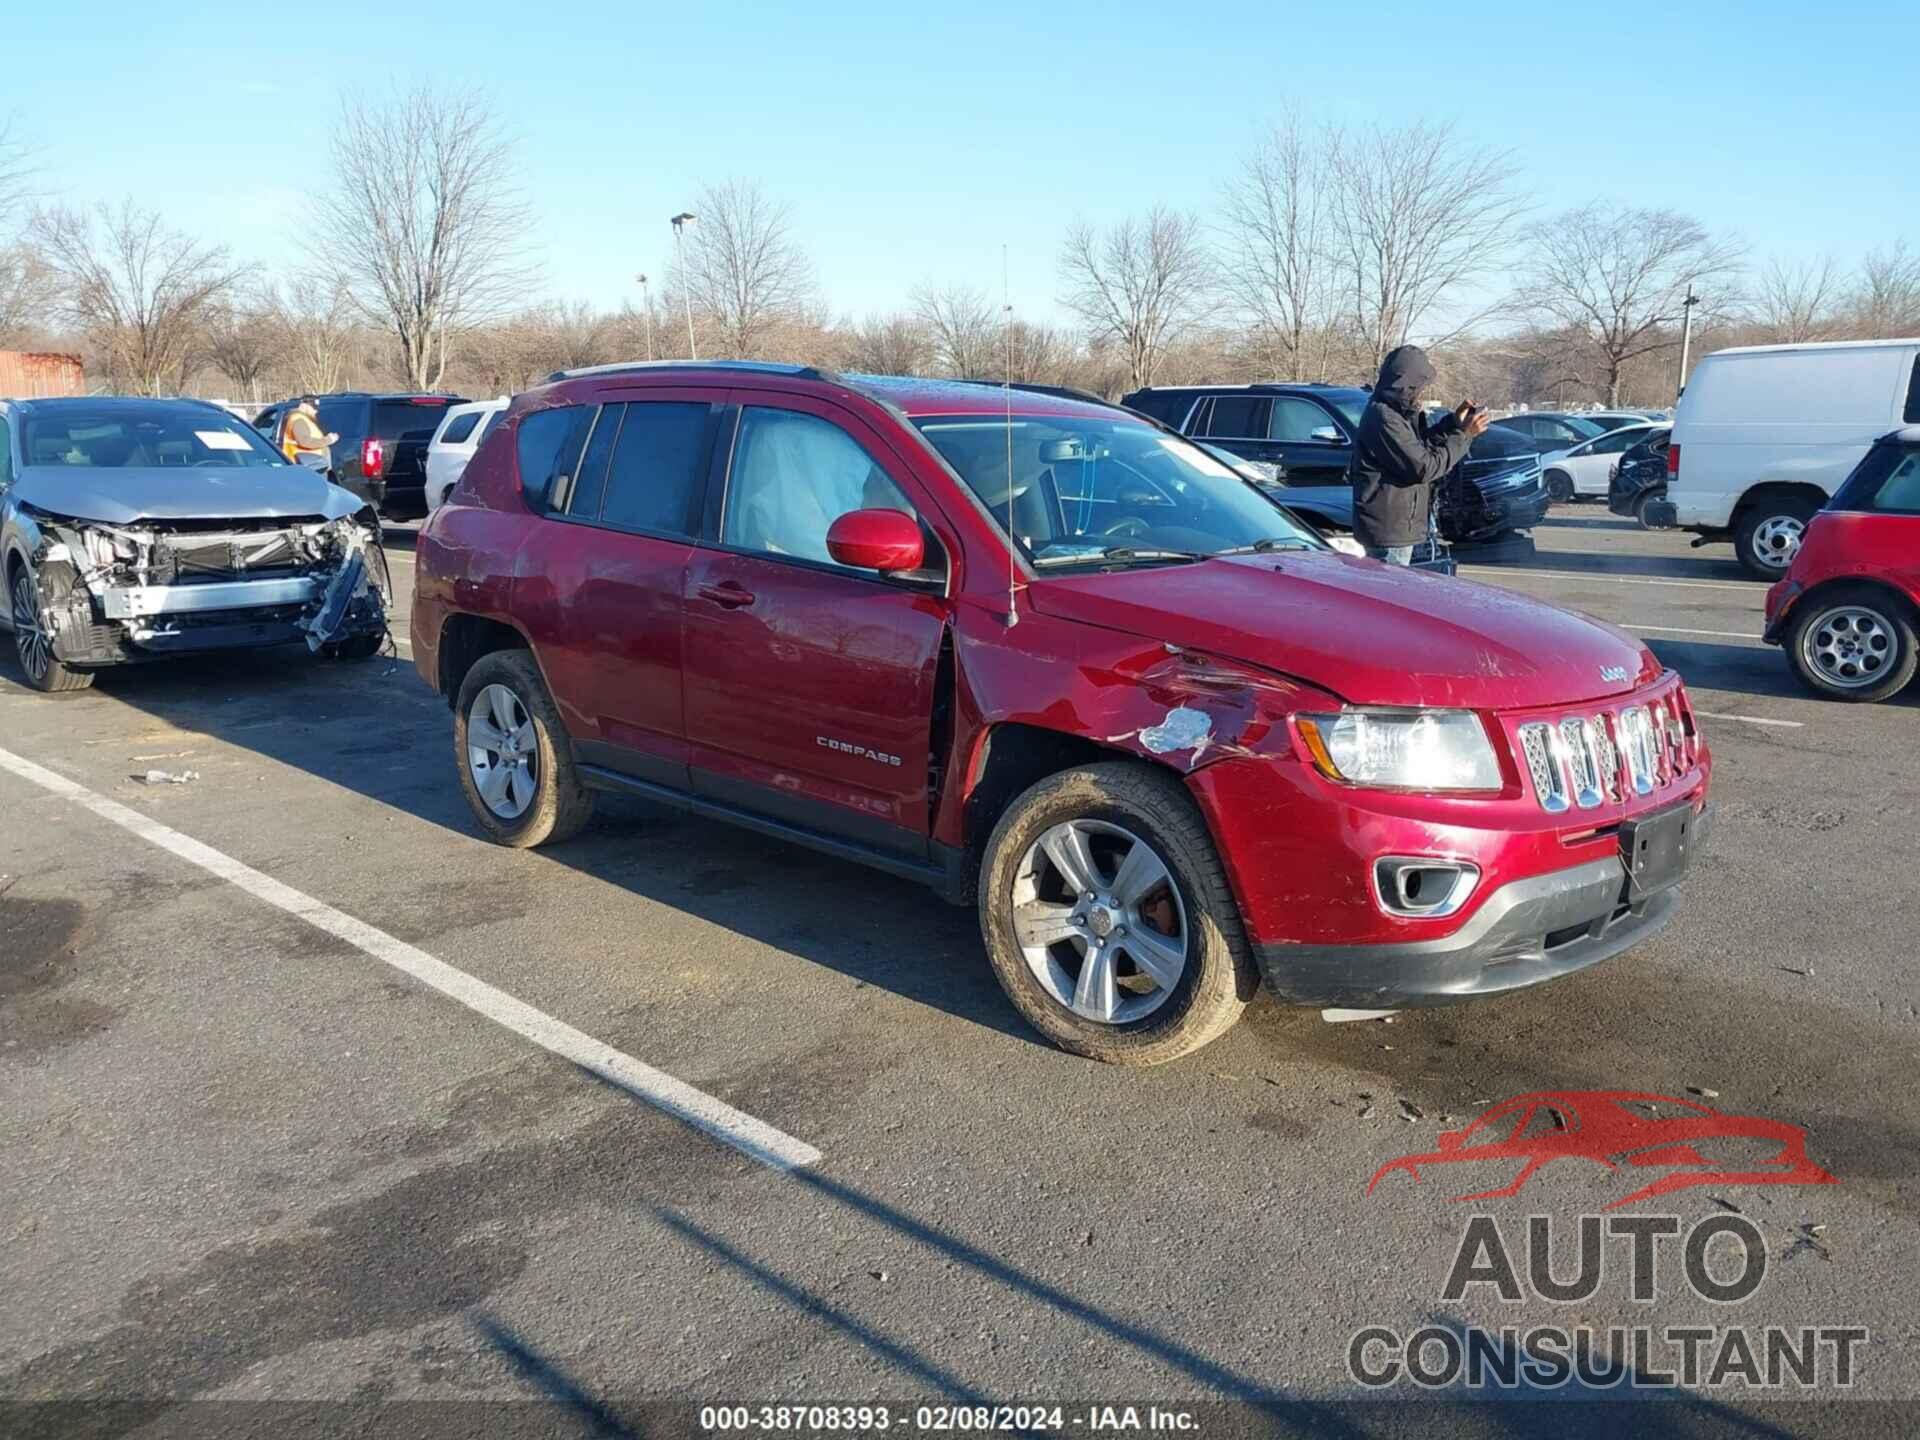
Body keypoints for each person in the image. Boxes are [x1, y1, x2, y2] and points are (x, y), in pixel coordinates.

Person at [1351, 346, 1490, 564]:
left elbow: (1418, 447)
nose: (1421, 392)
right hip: (1390, 534)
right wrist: (1464, 437)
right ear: (1407, 384)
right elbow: (1424, 467)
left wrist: (1453, 424)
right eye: (1419, 386)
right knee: (1392, 593)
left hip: (1399, 528)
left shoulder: (1395, 412)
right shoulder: (1384, 417)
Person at [279, 397, 336, 469]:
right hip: (305, 466)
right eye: (313, 407)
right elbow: (305, 441)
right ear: (303, 405)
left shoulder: (303, 419)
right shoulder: (299, 419)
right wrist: (328, 440)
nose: (316, 411)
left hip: (312, 465)